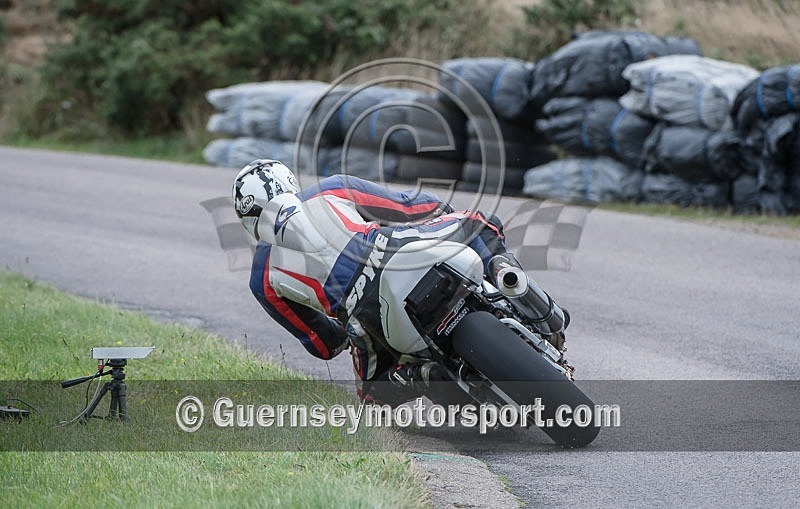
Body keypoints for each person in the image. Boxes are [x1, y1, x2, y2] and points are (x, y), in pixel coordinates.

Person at [233, 159, 567, 404]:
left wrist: (344, 325)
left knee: (372, 399)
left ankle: (420, 377)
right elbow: (411, 207)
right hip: (399, 250)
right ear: (289, 181)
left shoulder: (260, 279)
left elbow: (324, 345)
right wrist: (442, 212)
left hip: (367, 315)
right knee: (481, 223)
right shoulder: (330, 188)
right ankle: (511, 279)